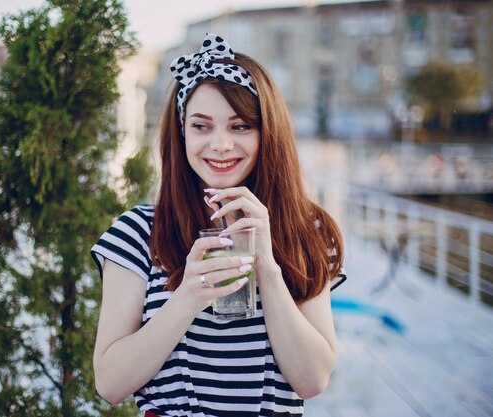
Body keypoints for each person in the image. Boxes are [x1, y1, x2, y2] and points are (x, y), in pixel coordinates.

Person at [91, 33, 346, 417]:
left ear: (267, 133)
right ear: (181, 134)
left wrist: (268, 266)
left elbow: (311, 381)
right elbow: (110, 384)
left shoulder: (304, 229)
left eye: (240, 126)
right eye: (201, 126)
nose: (221, 144)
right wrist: (189, 295)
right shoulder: (138, 232)